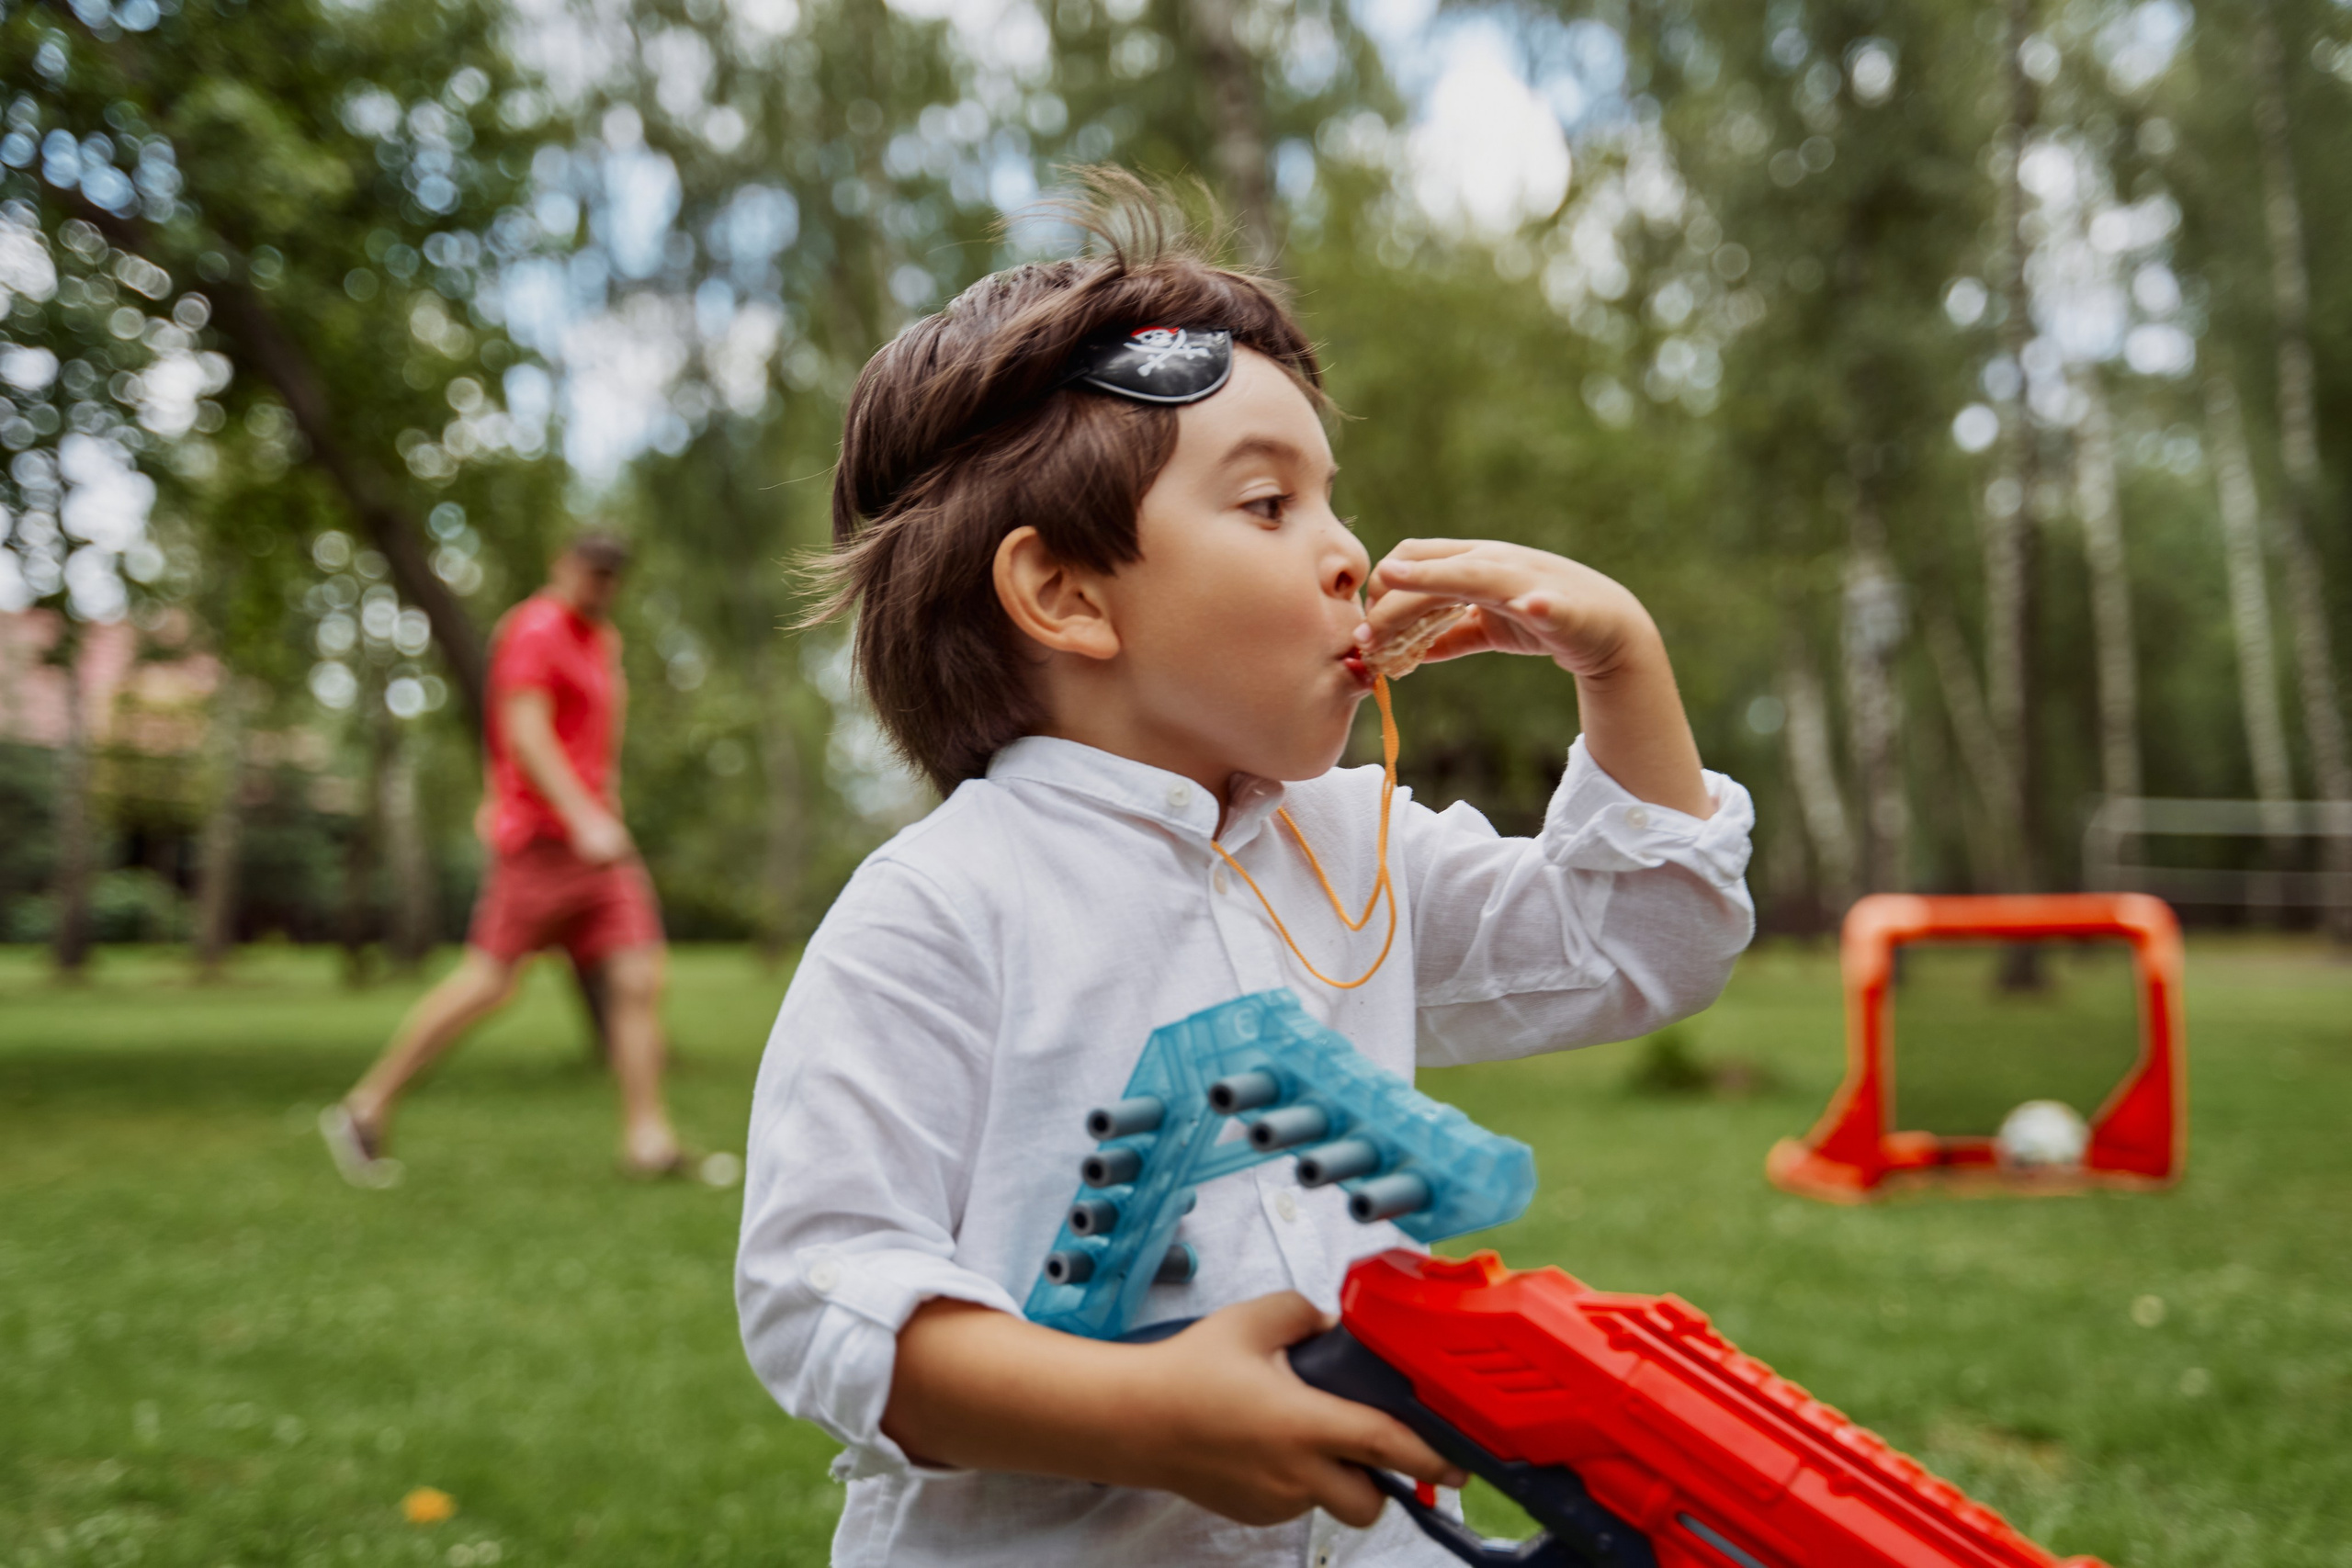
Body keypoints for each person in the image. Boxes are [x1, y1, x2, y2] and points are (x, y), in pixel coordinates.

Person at [735, 183, 1755, 1567]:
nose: (1349, 552)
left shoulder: (1353, 847)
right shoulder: (940, 907)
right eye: (1270, 503)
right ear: (1067, 595)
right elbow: (821, 1292)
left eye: (1332, 498)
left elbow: (1638, 941)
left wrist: (1620, 663)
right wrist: (1140, 1413)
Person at [321, 532, 684, 1186]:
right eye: (592, 571)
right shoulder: (536, 628)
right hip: (542, 844)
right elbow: (526, 731)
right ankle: (365, 1107)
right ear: (562, 565)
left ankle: (648, 1140)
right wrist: (581, 817)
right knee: (490, 981)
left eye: (612, 576)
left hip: (600, 846)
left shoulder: (602, 641)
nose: (601, 584)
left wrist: (605, 814)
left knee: (637, 978)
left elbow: (593, 741)